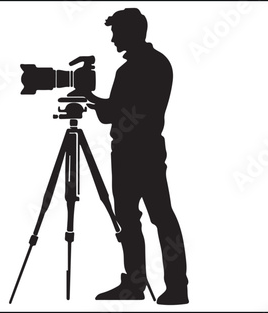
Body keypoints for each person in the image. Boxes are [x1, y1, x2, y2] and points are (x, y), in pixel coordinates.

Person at [80, 8, 189, 305]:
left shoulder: (131, 70)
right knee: (147, 219)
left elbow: (116, 113)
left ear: (130, 32)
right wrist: (102, 105)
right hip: (145, 151)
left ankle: (146, 285)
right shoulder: (158, 63)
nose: (113, 39)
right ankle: (165, 285)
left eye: (116, 32)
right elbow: (125, 110)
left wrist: (94, 101)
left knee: (148, 219)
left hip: (134, 155)